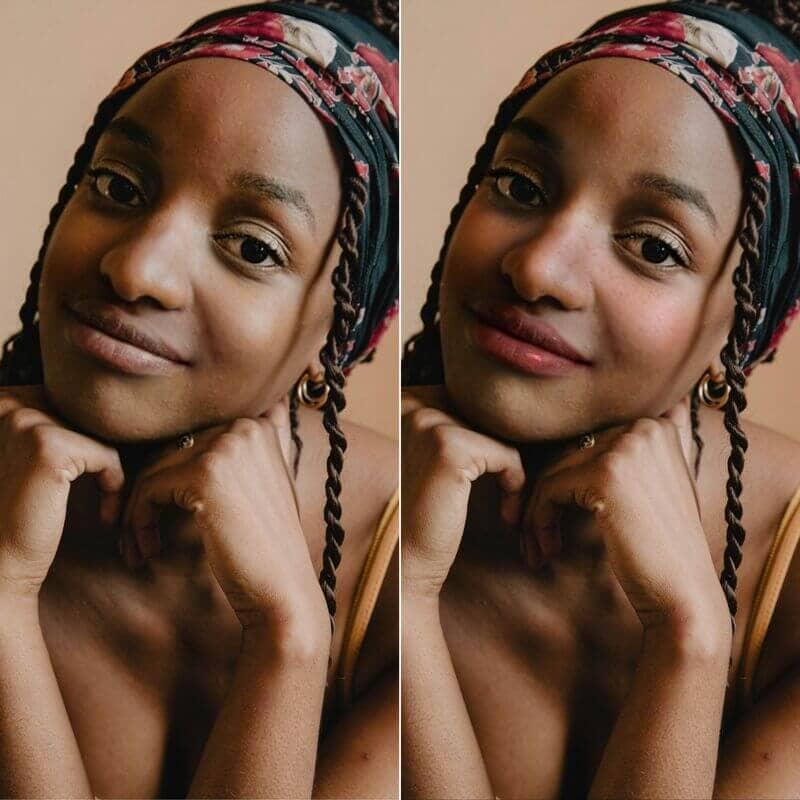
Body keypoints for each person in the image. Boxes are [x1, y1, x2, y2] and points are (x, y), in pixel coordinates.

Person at [402, 1, 800, 797]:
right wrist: (405, 605)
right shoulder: (355, 513)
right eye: (518, 185)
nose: (541, 268)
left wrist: (688, 638)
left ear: (744, 323)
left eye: (655, 246)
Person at [0, 2, 398, 797]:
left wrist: (287, 638)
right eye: (117, 185)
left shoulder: (412, 558)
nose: (138, 269)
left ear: (342, 325)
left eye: (253, 247)